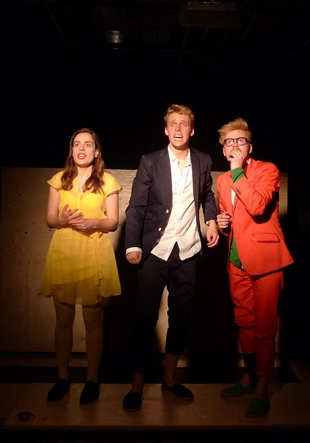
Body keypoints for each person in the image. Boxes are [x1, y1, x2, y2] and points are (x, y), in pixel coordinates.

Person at [121, 103, 220, 412]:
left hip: (188, 250)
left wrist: (211, 221)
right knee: (145, 317)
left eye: (184, 123)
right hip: (155, 251)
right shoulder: (150, 161)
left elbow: (207, 195)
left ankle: (169, 380)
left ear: (192, 130)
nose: (178, 128)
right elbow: (136, 207)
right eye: (173, 123)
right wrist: (132, 245)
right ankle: (137, 386)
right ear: (166, 130)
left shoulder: (203, 160)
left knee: (181, 316)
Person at [214, 117, 294, 418]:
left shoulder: (267, 170)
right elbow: (231, 218)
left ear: (250, 146)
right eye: (229, 142)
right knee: (244, 322)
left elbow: (258, 206)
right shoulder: (222, 181)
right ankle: (248, 378)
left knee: (264, 327)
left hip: (266, 261)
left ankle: (262, 387)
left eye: (240, 141)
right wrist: (222, 223)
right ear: (223, 149)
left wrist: (238, 171)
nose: (234, 145)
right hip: (236, 260)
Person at [41, 127, 122, 405]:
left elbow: (113, 222)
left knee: (92, 321)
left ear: (96, 151)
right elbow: (50, 219)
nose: (82, 149)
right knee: (63, 320)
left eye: (88, 144)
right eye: (77, 144)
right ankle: (62, 378)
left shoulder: (108, 181)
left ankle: (92, 379)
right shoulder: (58, 180)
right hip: (64, 253)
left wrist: (94, 222)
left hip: (93, 254)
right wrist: (62, 220)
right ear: (71, 149)